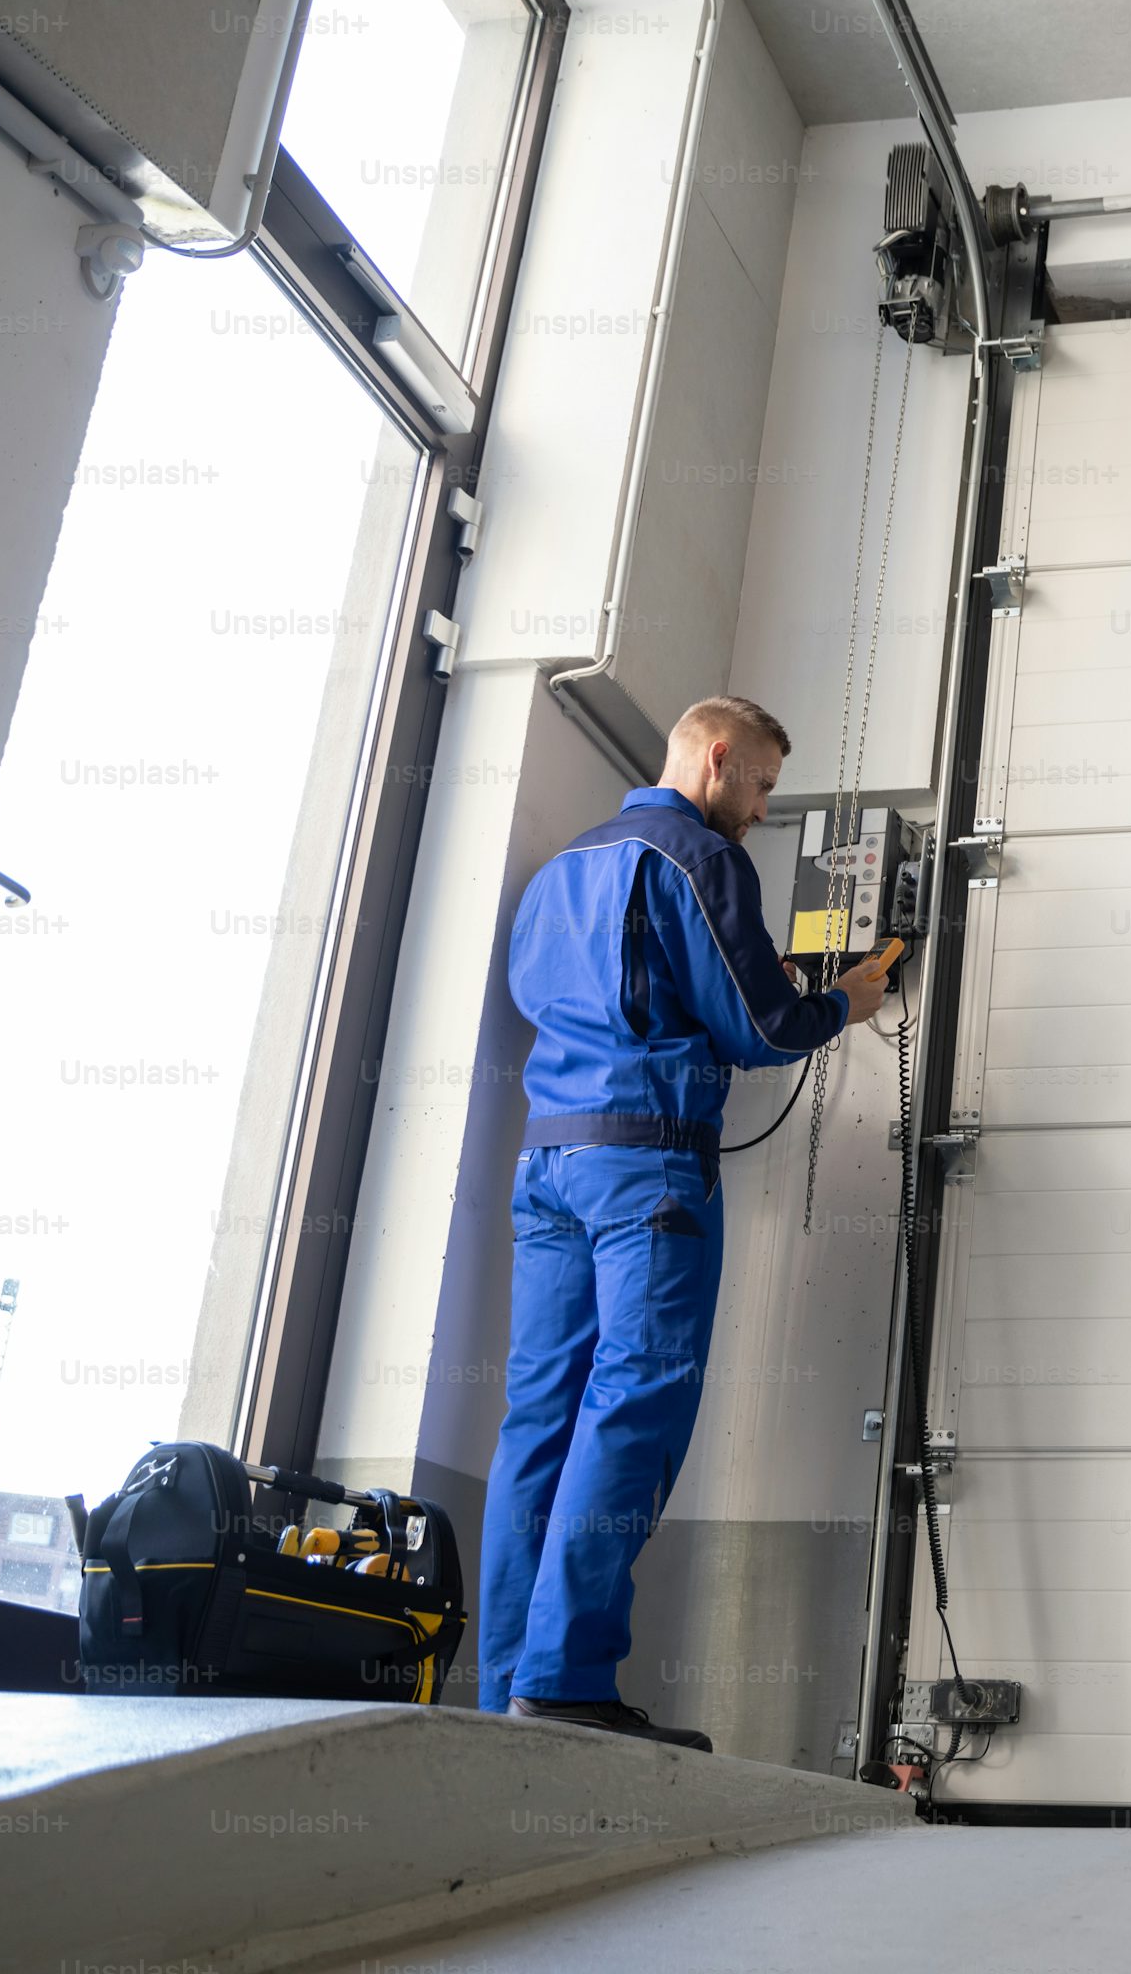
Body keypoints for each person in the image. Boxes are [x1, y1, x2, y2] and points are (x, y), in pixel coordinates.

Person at [480, 695, 894, 1750]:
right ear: (716, 759)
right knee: (632, 1407)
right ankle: (565, 1680)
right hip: (646, 1175)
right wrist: (847, 995)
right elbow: (762, 1027)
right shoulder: (696, 858)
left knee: (540, 1420)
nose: (759, 809)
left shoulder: (560, 871)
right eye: (758, 784)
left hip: (547, 1163)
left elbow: (550, 995)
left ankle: (506, 1699)